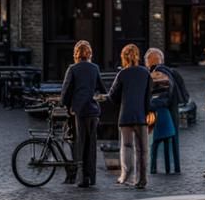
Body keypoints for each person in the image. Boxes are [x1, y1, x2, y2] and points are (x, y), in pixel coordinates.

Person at [60, 40, 107, 187]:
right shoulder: (95, 68)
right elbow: (102, 88)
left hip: (79, 111)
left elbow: (66, 91)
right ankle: (91, 177)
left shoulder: (72, 69)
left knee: (80, 143)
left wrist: (66, 104)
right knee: (91, 145)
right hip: (93, 111)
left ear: (76, 54)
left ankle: (81, 179)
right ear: (89, 54)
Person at [108, 43, 152, 187]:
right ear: (138, 56)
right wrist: (147, 113)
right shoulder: (145, 73)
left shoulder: (122, 74)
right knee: (143, 149)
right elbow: (148, 97)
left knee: (126, 146)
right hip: (141, 116)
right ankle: (141, 179)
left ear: (123, 57)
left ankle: (125, 177)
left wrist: (121, 100)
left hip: (125, 115)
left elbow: (112, 95)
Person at [145, 47, 187, 172]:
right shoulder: (169, 71)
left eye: (147, 60)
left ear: (151, 61)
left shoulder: (158, 73)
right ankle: (174, 168)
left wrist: (149, 106)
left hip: (163, 112)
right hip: (172, 110)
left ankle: (154, 168)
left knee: (156, 142)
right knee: (173, 141)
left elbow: (161, 95)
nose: (146, 63)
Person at [149, 66, 178, 173]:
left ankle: (153, 168)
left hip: (157, 121)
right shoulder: (166, 93)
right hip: (167, 121)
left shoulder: (153, 97)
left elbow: (150, 105)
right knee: (165, 144)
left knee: (154, 146)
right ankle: (167, 169)